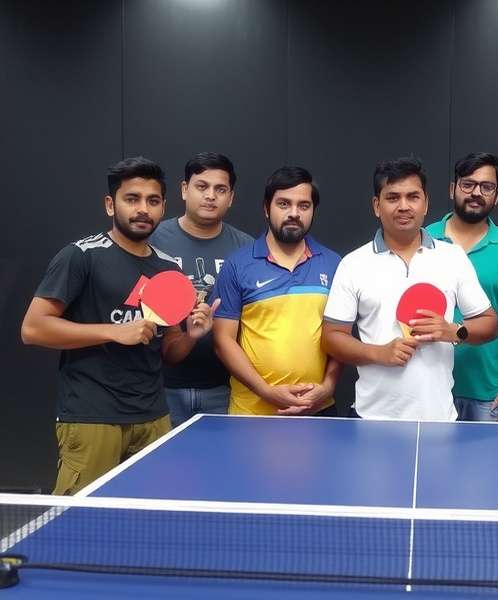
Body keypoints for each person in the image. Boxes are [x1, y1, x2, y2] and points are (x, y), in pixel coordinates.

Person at [20, 156, 218, 495]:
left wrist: (190, 337)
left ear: (163, 206)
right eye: (132, 199)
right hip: (92, 416)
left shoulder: (168, 268)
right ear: (111, 205)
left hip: (153, 416)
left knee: (146, 519)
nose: (143, 209)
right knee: (78, 523)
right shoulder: (81, 256)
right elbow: (34, 329)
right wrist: (114, 331)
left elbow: (169, 350)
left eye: (153, 201)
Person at [321, 156, 497, 420]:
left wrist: (453, 331)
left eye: (413, 197)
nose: (403, 206)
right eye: (392, 198)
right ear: (376, 206)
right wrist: (379, 353)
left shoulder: (453, 257)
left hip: (438, 419)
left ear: (425, 203)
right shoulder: (353, 264)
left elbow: (489, 323)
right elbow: (331, 337)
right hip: (372, 419)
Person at [213, 166, 341, 416]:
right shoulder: (237, 265)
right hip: (252, 413)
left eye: (303, 206)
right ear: (266, 208)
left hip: (317, 410)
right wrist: (267, 392)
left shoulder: (334, 264)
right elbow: (223, 341)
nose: (294, 213)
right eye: (283, 204)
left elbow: (341, 336)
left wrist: (327, 387)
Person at [149, 152, 252, 426]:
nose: (211, 196)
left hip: (225, 388)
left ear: (231, 197)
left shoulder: (246, 249)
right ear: (185, 190)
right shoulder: (152, 240)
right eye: (202, 186)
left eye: (220, 189)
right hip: (160, 390)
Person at [426, 152, 498, 421]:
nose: (476, 193)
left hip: (488, 392)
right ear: (452, 189)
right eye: (467, 184)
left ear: (497, 195)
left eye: (487, 187)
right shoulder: (422, 239)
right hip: (429, 388)